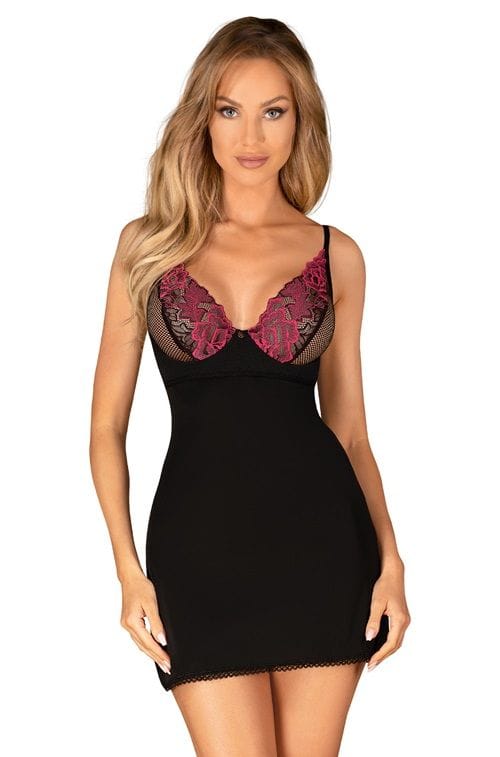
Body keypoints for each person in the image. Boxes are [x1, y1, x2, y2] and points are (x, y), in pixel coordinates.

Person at [89, 16, 410, 756]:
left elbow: (351, 431)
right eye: (230, 110)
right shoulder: (147, 246)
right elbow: (106, 427)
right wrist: (128, 571)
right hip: (197, 556)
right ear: (204, 119)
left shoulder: (337, 255)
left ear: (302, 120)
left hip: (323, 551)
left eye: (274, 111)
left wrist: (391, 561)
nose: (251, 136)